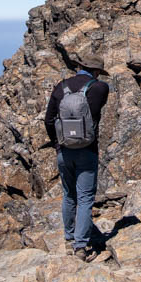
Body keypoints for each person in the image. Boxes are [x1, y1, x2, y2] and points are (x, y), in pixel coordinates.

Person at [45, 54, 110, 261]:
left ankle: (68, 239)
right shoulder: (100, 88)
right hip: (88, 149)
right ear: (97, 71)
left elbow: (48, 120)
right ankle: (80, 247)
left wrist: (57, 144)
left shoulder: (61, 87)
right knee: (85, 198)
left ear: (79, 66)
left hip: (64, 150)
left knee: (68, 195)